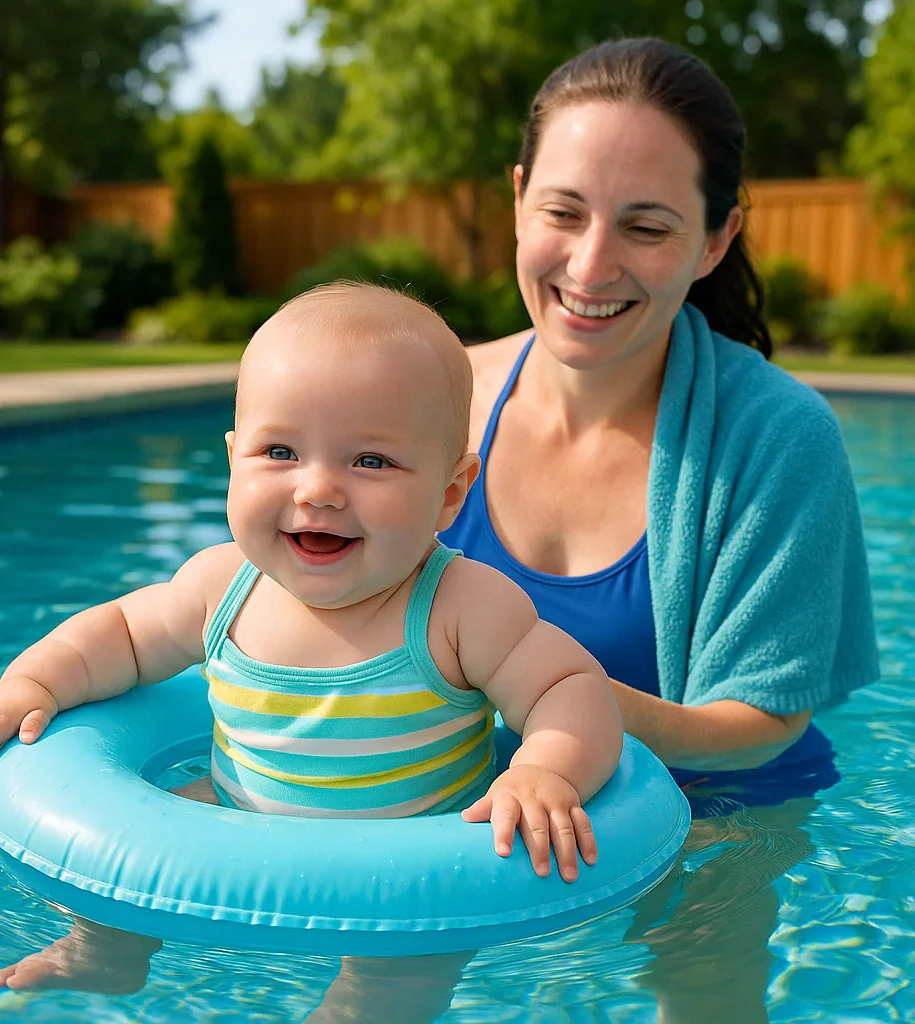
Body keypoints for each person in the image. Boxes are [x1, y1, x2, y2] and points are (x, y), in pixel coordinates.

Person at [0, 281, 623, 1007]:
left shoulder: (460, 607)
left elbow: (567, 688)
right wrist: (32, 684)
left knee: (397, 983)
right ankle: (108, 953)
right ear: (234, 459)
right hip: (240, 823)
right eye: (280, 451)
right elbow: (116, 635)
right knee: (122, 867)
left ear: (451, 492)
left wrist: (547, 772)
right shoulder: (221, 588)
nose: (319, 490)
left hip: (407, 878)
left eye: (371, 462)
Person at [428, 35, 879, 1024]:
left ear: (715, 239)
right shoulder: (435, 397)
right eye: (562, 211)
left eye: (645, 226)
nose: (591, 264)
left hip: (716, 813)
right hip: (482, 799)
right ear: (517, 198)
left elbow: (760, 725)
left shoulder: (775, 437)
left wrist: (554, 703)